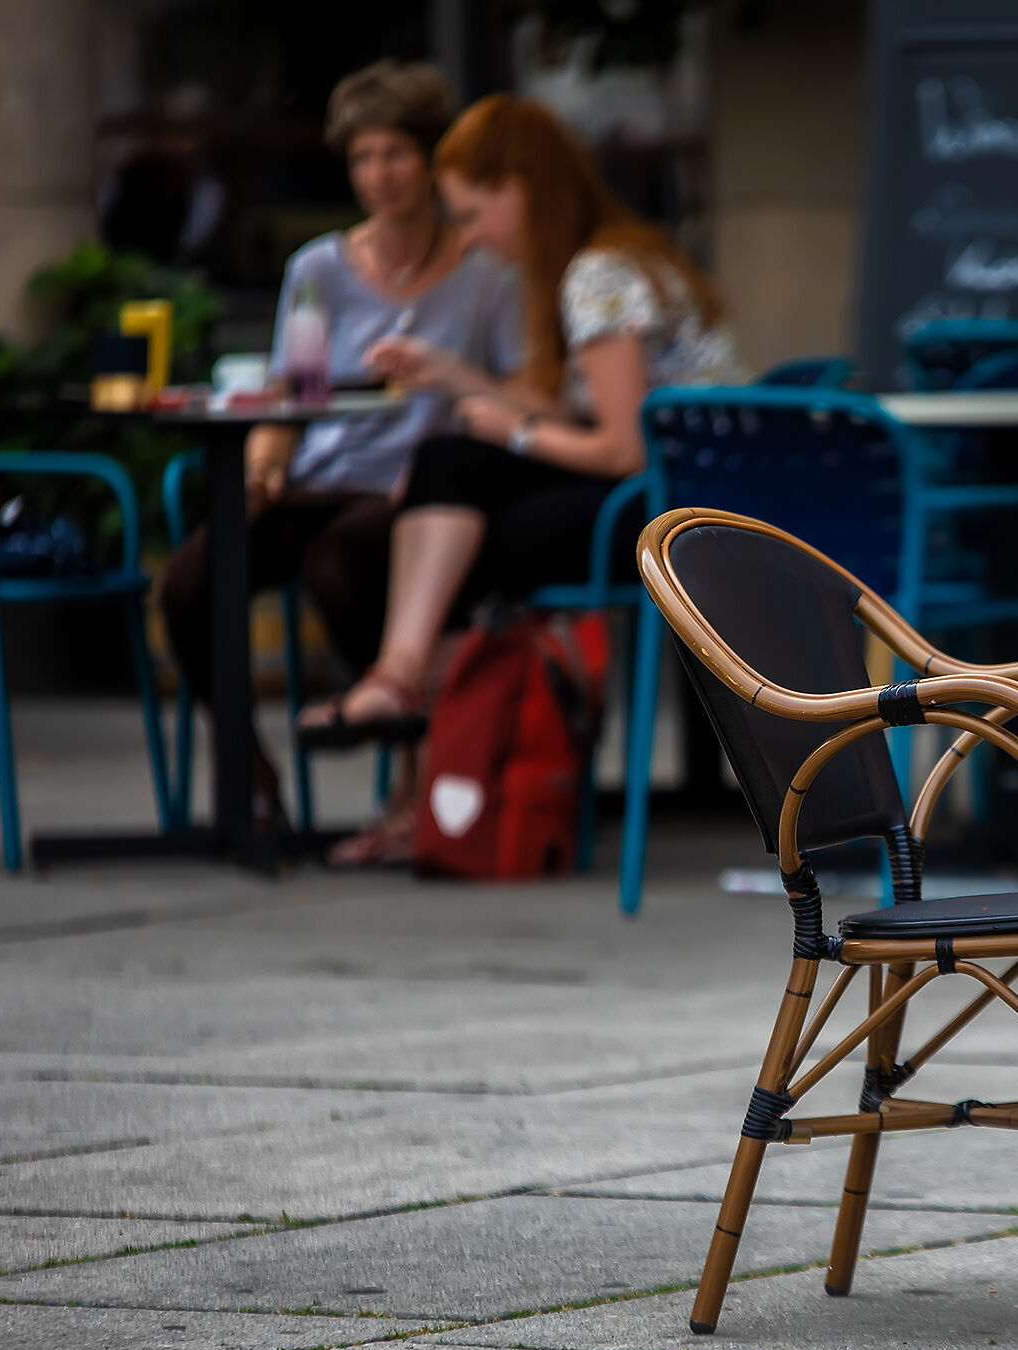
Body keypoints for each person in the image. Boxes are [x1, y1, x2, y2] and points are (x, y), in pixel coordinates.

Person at [303, 95, 738, 761]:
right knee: (448, 466)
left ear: (518, 188)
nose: (469, 237)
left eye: (472, 214)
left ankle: (428, 706)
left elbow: (623, 450)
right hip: (686, 492)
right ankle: (417, 702)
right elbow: (584, 415)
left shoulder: (596, 275)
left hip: (675, 512)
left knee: (454, 538)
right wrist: (457, 378)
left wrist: (516, 435)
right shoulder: (610, 256)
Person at [159, 60, 521, 827]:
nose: (377, 175)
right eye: (361, 158)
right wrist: (264, 466)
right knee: (189, 582)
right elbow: (294, 397)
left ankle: (421, 762)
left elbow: (515, 395)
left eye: (395, 154)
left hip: (415, 493)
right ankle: (251, 777)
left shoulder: (486, 275)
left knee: (342, 560)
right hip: (317, 480)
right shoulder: (319, 269)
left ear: (431, 160)